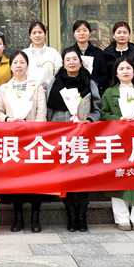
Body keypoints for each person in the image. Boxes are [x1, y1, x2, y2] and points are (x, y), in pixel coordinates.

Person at [46, 48, 100, 232]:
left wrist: (89, 120)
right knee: (65, 176)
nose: (71, 62)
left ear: (80, 62)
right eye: (68, 59)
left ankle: (82, 215)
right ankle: (70, 214)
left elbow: (96, 108)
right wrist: (51, 130)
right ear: (63, 63)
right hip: (60, 135)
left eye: (74, 59)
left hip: (83, 135)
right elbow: (48, 109)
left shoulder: (89, 82)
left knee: (83, 176)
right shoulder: (55, 82)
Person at [100, 56, 134, 231]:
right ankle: (121, 218)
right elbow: (103, 114)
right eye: (121, 69)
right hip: (118, 141)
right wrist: (118, 119)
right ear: (116, 73)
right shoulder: (109, 93)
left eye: (128, 68)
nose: (125, 72)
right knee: (118, 177)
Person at [0, 50, 46, 233]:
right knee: (15, 178)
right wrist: (8, 120)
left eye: (22, 62)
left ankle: (35, 217)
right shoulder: (4, 88)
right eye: (15, 62)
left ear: (27, 65)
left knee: (36, 178)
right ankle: (18, 217)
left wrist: (35, 130)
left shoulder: (36, 86)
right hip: (12, 139)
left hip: (33, 138)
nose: (18, 65)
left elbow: (41, 112)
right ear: (10, 66)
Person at [64, 20, 109, 93]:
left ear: (90, 33)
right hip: (73, 90)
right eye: (78, 31)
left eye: (85, 30)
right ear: (74, 34)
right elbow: (64, 73)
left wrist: (93, 85)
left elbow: (104, 75)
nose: (81, 33)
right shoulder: (68, 53)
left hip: (94, 91)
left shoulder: (98, 52)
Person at [104, 21, 134, 86]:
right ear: (113, 35)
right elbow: (104, 76)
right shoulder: (106, 55)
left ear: (129, 35)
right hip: (111, 89)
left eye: (125, 33)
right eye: (119, 33)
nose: (122, 35)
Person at [23, 21, 62, 87]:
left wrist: (48, 85)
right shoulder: (24, 54)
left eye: (40, 32)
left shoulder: (53, 53)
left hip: (49, 90)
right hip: (28, 90)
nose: (37, 35)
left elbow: (59, 73)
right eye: (34, 33)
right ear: (30, 36)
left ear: (45, 35)